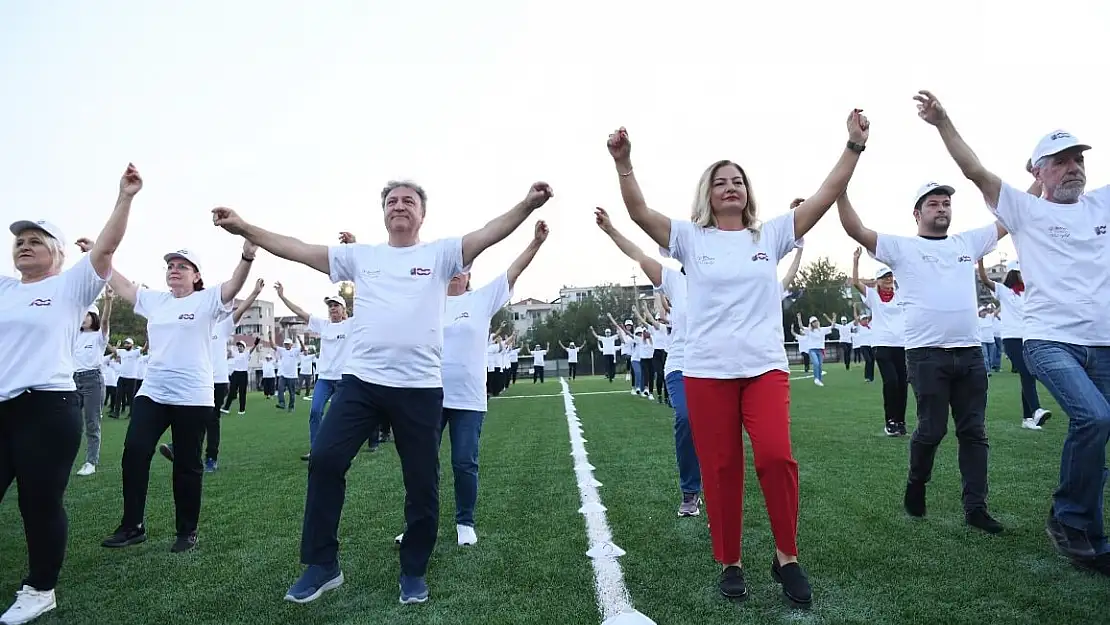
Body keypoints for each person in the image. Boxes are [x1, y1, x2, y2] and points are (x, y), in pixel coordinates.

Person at [212, 177, 553, 604]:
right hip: (362, 383)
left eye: (409, 200)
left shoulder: (442, 254)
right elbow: (298, 248)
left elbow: (488, 232)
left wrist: (526, 205)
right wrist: (245, 228)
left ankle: (413, 570)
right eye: (392, 200)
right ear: (383, 213)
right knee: (325, 459)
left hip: (419, 387)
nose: (400, 205)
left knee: (422, 483)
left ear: (421, 214)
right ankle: (322, 564)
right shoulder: (363, 257)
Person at [608, 109, 870, 605]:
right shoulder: (689, 238)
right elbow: (640, 212)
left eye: (738, 182)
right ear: (708, 193)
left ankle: (786, 557)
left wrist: (852, 146)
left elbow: (824, 195)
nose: (731, 187)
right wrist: (624, 162)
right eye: (721, 182)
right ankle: (730, 561)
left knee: (776, 458)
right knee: (722, 469)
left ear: (748, 192)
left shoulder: (768, 235)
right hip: (707, 372)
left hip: (765, 369)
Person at [917, 89, 1110, 573]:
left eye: (1077, 159)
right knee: (1094, 419)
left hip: (1103, 342)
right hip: (1049, 339)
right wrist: (943, 122)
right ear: (1037, 171)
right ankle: (1071, 520)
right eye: (1060, 161)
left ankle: (1080, 520)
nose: (1073, 168)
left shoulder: (1101, 205)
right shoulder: (1026, 210)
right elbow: (974, 171)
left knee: (1101, 427)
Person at [0, 163, 141, 625]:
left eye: (35, 240)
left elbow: (106, 248)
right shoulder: (4, 288)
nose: (24, 244)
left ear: (56, 254)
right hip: (3, 409)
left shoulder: (69, 286)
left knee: (37, 504)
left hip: (47, 408)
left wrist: (124, 197)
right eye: (19, 240)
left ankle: (40, 589)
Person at [837, 180, 1008, 534]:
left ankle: (976, 507)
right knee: (931, 430)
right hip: (926, 355)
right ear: (917, 213)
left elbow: (1012, 218)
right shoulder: (902, 248)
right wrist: (840, 191)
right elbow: (856, 229)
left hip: (971, 352)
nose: (942, 208)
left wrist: (1038, 181)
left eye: (946, 203)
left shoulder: (967, 242)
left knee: (974, 432)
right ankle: (917, 482)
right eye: (933, 203)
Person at [395, 219, 547, 548]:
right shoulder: (427, 300)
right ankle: (416, 525)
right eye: (452, 269)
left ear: (468, 276)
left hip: (468, 398)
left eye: (462, 270)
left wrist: (535, 243)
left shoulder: (481, 300)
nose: (455, 274)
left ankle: (465, 521)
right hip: (428, 396)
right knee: (422, 464)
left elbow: (513, 272)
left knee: (464, 461)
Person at [101, 239, 255, 554]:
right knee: (134, 451)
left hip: (193, 395)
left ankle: (187, 531)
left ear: (196, 275)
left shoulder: (207, 300)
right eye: (170, 266)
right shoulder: (156, 301)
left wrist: (247, 255)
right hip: (153, 391)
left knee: (186, 464)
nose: (174, 270)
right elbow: (122, 284)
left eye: (182, 266)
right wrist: (100, 254)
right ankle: (133, 526)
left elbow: (234, 284)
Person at [595, 206, 702, 516]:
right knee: (685, 418)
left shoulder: (725, 274)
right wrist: (611, 229)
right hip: (681, 364)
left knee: (717, 431)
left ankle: (718, 488)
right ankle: (690, 491)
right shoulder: (673, 280)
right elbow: (639, 255)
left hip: (717, 365)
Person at [160, 278, 265, 472]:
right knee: (186, 415)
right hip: (195, 378)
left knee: (210, 419)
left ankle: (210, 458)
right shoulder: (192, 323)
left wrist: (255, 293)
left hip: (216, 382)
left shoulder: (222, 326)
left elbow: (240, 310)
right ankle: (182, 449)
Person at [273, 281, 354, 462]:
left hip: (344, 380)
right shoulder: (323, 325)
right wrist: (282, 296)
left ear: (343, 309)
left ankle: (344, 449)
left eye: (336, 306)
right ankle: (316, 450)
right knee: (315, 412)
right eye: (330, 306)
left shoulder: (351, 325)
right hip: (324, 379)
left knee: (342, 416)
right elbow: (300, 312)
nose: (332, 309)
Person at [977, 259, 1051, 430]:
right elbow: (984, 279)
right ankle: (1036, 409)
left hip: (1028, 337)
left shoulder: (1028, 293)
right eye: (1020, 271)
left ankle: (1027, 419)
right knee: (1026, 372)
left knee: (1028, 374)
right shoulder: (1003, 291)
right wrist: (980, 261)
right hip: (1011, 338)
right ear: (1013, 274)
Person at [850, 248, 907, 436]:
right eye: (884, 277)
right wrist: (856, 261)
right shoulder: (872, 296)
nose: (889, 280)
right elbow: (856, 282)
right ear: (878, 281)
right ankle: (890, 420)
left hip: (901, 345)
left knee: (902, 384)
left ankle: (900, 421)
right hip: (882, 345)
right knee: (891, 382)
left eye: (890, 276)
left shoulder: (901, 295)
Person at [72, 282, 113, 477]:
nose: (83, 318)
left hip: (92, 381)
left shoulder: (99, 336)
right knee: (68, 421)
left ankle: (91, 462)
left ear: (93, 317)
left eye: (87, 314)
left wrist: (108, 301)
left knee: (91, 422)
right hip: (73, 381)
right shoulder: (74, 336)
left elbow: (105, 322)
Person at [222, 327, 260, 415]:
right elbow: (229, 350)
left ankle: (242, 410)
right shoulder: (235, 353)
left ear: (244, 347)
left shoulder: (246, 354)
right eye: (238, 346)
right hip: (235, 373)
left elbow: (252, 350)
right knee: (231, 391)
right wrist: (228, 342)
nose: (239, 347)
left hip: (243, 374)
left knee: (243, 393)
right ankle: (226, 408)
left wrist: (255, 344)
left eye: (241, 346)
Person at [274, 337, 302, 412]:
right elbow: (273, 346)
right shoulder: (282, 350)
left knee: (292, 393)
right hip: (283, 375)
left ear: (291, 344)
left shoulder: (295, 351)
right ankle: (282, 403)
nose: (286, 345)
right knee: (280, 388)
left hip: (292, 376)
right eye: (285, 344)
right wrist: (270, 338)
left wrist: (300, 341)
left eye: (287, 344)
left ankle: (291, 407)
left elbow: (303, 348)